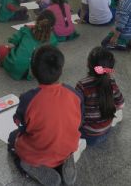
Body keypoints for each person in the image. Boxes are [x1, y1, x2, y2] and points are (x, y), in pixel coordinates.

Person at [8, 45, 83, 186]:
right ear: (60, 69)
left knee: (12, 138)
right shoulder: (74, 93)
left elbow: (21, 125)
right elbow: (79, 121)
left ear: (33, 71)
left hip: (39, 153)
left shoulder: (28, 98)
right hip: (67, 146)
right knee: (59, 138)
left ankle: (30, 166)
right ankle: (65, 161)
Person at [75, 47, 125, 145]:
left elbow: (75, 111)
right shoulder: (111, 82)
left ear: (88, 64)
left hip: (88, 135)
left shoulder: (82, 85)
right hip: (107, 130)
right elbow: (121, 104)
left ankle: (79, 144)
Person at [0, 10, 58, 80]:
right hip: (36, 72)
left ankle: (5, 62)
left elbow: (11, 45)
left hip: (17, 68)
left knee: (1, 49)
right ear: (52, 27)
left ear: (37, 20)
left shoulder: (26, 29)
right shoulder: (53, 40)